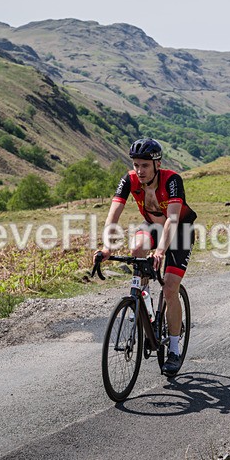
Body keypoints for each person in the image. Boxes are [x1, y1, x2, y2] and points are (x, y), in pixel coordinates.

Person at [98, 138, 197, 376]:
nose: (139, 170)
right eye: (135, 165)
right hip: (152, 225)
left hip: (180, 230)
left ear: (157, 164)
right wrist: (106, 247)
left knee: (170, 288)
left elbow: (173, 219)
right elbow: (113, 215)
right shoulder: (129, 180)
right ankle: (141, 301)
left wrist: (161, 251)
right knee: (136, 249)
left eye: (144, 165)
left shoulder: (172, 180)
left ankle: (173, 349)